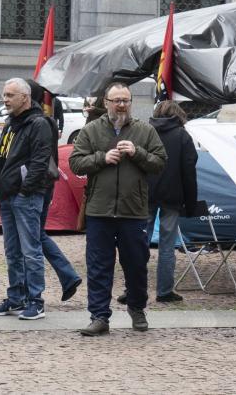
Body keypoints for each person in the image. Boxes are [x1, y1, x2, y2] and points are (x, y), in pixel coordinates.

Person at [69, 82, 166, 336]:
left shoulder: (145, 131)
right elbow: (76, 163)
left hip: (133, 212)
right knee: (99, 266)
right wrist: (102, 158)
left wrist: (138, 153)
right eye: (116, 100)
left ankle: (137, 308)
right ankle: (99, 316)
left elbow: (160, 163)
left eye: (125, 100)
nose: (121, 105)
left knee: (136, 264)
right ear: (107, 103)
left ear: (131, 103)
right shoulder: (91, 130)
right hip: (99, 211)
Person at [0, 78, 56, 320]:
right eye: (4, 94)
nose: (4, 99)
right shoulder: (11, 122)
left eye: (9, 95)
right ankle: (16, 297)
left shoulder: (38, 123)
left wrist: (25, 191)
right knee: (12, 251)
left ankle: (36, 301)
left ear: (25, 98)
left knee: (31, 251)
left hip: (25, 197)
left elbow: (39, 163)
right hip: (7, 196)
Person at [26, 80, 82, 303]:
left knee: (33, 237)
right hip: (44, 185)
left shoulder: (40, 122)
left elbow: (39, 160)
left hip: (38, 186)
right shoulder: (45, 121)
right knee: (37, 235)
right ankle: (68, 276)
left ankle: (65, 277)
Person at [146, 100, 200, 303]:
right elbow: (189, 173)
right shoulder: (182, 136)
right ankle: (164, 290)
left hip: (146, 194)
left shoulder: (146, 132)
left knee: (139, 244)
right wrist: (190, 203)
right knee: (167, 247)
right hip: (173, 197)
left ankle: (135, 288)